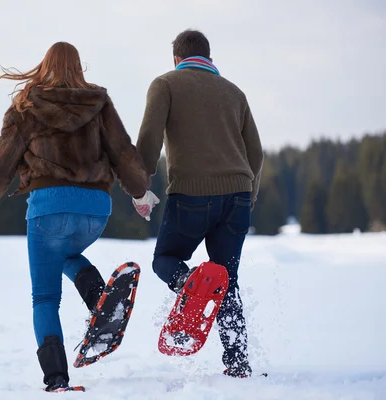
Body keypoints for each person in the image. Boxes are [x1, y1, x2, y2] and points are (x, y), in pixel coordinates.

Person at [0, 42, 159, 391]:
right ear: (78, 68)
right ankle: (98, 298)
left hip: (49, 210)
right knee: (66, 253)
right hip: (95, 212)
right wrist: (140, 190)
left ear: (44, 66)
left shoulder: (28, 105)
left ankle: (56, 378)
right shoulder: (99, 103)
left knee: (44, 298)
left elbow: (1, 161)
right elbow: (123, 152)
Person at [134, 29, 264, 377]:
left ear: (177, 58)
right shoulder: (234, 93)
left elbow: (148, 138)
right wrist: (248, 195)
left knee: (165, 259)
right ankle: (237, 362)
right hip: (237, 196)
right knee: (227, 279)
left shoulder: (165, 84)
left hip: (191, 194)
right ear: (209, 56)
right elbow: (256, 151)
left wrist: (140, 186)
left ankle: (188, 282)